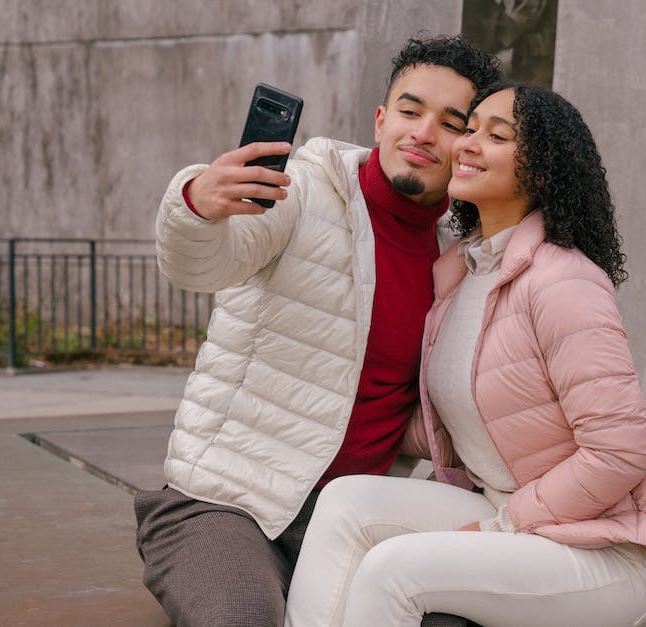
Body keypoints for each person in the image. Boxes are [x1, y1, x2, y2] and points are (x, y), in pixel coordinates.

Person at [283, 83, 646, 627]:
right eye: (469, 129)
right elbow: (462, 420)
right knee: (345, 501)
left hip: (600, 547)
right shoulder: (462, 273)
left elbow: (621, 454)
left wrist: (506, 524)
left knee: (391, 570)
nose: (467, 143)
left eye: (496, 136)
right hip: (504, 507)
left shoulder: (563, 280)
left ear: (541, 173)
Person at [134, 35, 501, 627]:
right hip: (224, 503)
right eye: (410, 111)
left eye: (450, 123)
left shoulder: (455, 261)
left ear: (470, 147)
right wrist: (197, 203)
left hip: (346, 519)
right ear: (381, 121)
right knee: (242, 617)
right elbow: (205, 263)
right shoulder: (305, 191)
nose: (424, 133)